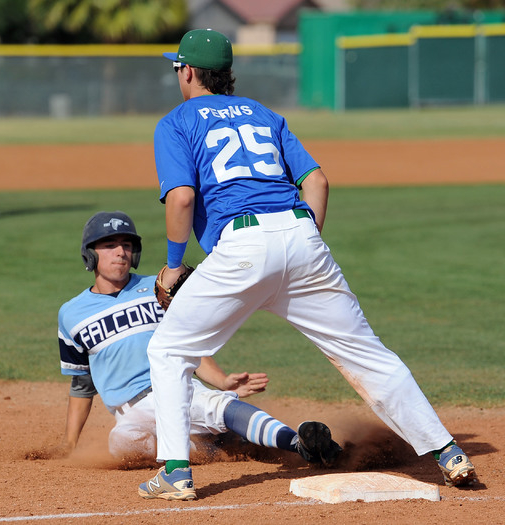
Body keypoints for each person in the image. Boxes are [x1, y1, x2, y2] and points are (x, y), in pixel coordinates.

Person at [139, 29, 477, 500]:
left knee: (170, 351)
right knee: (367, 354)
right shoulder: (264, 113)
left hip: (240, 246)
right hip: (301, 234)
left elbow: (181, 197)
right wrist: (304, 244)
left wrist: (173, 266)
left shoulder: (176, 122)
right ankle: (447, 452)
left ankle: (175, 473)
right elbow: (316, 181)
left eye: (177, 67)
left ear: (189, 71)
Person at [57, 210, 342, 477]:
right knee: (123, 444)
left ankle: (300, 444)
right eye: (109, 245)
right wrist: (70, 443)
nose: (120, 253)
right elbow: (82, 384)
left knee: (219, 405)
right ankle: (216, 447)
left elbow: (187, 344)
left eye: (126, 245)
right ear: (90, 254)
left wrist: (223, 380)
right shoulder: (71, 314)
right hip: (129, 413)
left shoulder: (159, 290)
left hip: (172, 385)